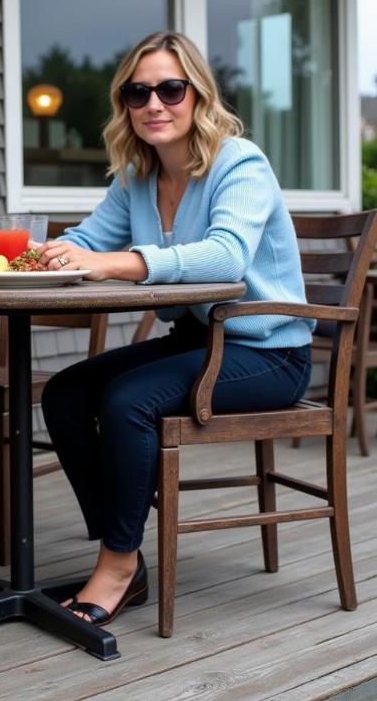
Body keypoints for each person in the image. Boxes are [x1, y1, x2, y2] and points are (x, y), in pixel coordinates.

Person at [37, 31, 313, 627]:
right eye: (138, 93)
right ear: (125, 106)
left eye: (170, 88)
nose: (154, 104)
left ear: (198, 96)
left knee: (128, 400)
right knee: (65, 393)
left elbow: (225, 258)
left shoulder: (240, 162)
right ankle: (126, 547)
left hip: (267, 350)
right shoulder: (138, 176)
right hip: (198, 343)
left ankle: (115, 566)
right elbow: (90, 240)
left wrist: (111, 264)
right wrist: (47, 254)